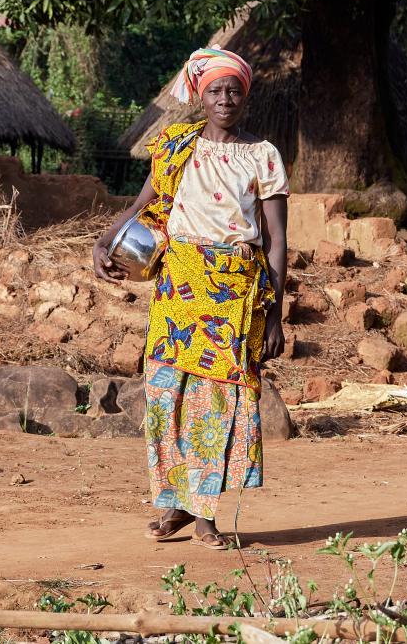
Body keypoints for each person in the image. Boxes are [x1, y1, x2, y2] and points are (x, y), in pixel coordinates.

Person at [92, 48, 288, 550]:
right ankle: (174, 500)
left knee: (217, 402)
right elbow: (143, 205)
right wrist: (103, 242)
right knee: (166, 395)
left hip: (233, 293)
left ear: (246, 97)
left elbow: (277, 241)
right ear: (201, 97)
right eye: (216, 91)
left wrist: (274, 315)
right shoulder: (176, 145)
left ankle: (205, 514)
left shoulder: (262, 155)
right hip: (177, 287)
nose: (225, 99)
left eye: (234, 91)